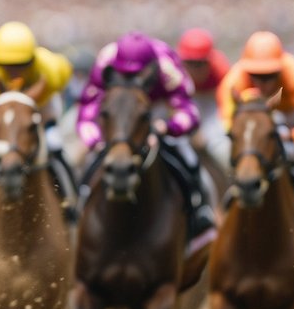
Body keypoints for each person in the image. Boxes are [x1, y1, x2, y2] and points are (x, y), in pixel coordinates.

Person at [77, 31, 217, 248]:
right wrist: (97, 141)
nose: (131, 79)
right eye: (125, 74)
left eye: (137, 74)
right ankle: (78, 207)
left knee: (190, 160)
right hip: (120, 111)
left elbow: (189, 112)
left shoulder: (167, 66)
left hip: (157, 109)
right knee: (87, 162)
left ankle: (200, 212)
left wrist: (167, 128)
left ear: (151, 70)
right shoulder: (106, 60)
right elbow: (87, 108)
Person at [218, 30, 294, 245]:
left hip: (290, 117)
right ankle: (222, 209)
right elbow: (229, 121)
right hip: (254, 116)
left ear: (280, 68)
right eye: (256, 77)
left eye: (270, 76)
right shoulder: (235, 79)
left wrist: (293, 135)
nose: (262, 84)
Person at [0, 20, 78, 220]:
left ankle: (71, 202)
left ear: (33, 60)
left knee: (55, 146)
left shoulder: (51, 70)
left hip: (41, 108)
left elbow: (69, 85)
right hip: (4, 114)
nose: (15, 73)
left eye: (22, 66)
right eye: (7, 67)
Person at [177, 27, 231, 164]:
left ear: (210, 61)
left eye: (200, 63)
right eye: (190, 63)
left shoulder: (220, 69)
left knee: (223, 149)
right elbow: (173, 103)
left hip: (212, 100)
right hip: (187, 100)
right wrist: (193, 131)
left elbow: (227, 103)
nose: (195, 69)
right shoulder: (175, 71)